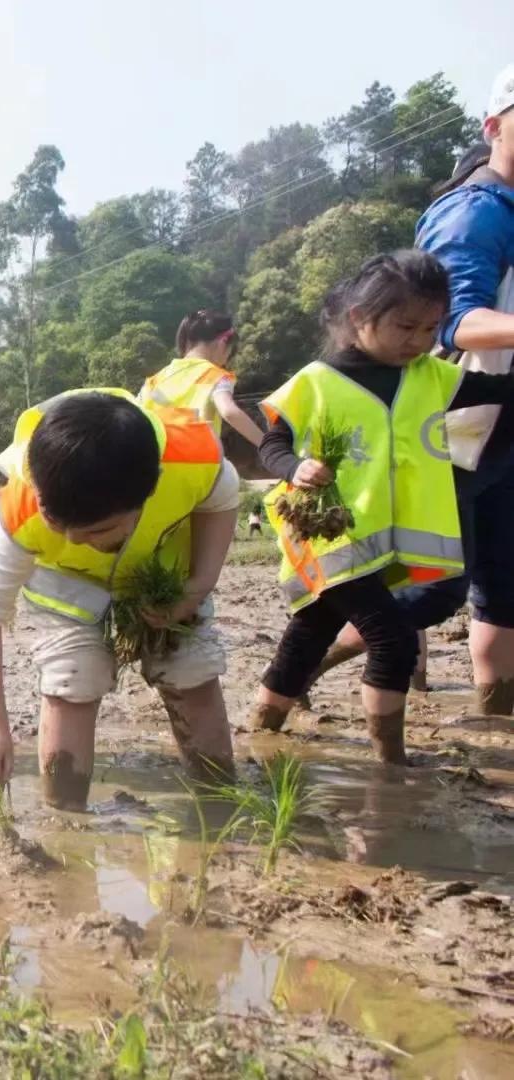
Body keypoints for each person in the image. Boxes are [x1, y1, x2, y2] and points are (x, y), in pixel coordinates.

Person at [251, 251, 514, 762]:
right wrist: (293, 469)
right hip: (329, 529)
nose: (418, 340)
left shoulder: (432, 376)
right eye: (405, 326)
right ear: (359, 318)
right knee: (393, 638)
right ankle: (391, 766)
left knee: (313, 629)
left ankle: (264, 725)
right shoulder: (317, 381)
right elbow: (272, 442)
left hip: (382, 540)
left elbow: (503, 390)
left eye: (430, 328)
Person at [309, 68, 514, 715]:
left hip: (501, 424)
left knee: (505, 591)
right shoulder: (477, 212)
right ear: (494, 127)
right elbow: (459, 322)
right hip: (455, 417)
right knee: (431, 585)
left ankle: (497, 726)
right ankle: (302, 660)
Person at [0, 389, 238, 809]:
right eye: (58, 523)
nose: (74, 539)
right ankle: (66, 818)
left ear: (148, 494)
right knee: (73, 677)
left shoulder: (192, 458)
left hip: (161, 573)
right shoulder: (21, 506)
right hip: (65, 587)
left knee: (192, 672)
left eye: (96, 531)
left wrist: (197, 587)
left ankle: (219, 805)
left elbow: (223, 497)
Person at [139, 311, 266, 447]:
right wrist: (269, 445)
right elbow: (229, 412)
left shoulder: (154, 381)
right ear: (223, 342)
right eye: (231, 351)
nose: (226, 361)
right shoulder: (215, 376)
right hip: (200, 464)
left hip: (155, 464)